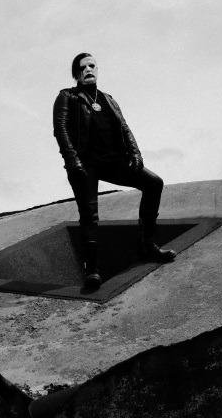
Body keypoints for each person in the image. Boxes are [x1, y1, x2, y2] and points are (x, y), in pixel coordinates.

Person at [52, 53, 176, 290]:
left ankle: (147, 245)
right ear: (76, 74)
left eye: (92, 65)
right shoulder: (67, 96)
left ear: (97, 69)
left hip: (114, 161)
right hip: (85, 164)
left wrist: (135, 154)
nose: (88, 70)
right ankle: (92, 270)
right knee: (89, 215)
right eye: (83, 67)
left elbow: (124, 128)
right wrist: (72, 160)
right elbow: (61, 129)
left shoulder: (108, 99)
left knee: (154, 183)